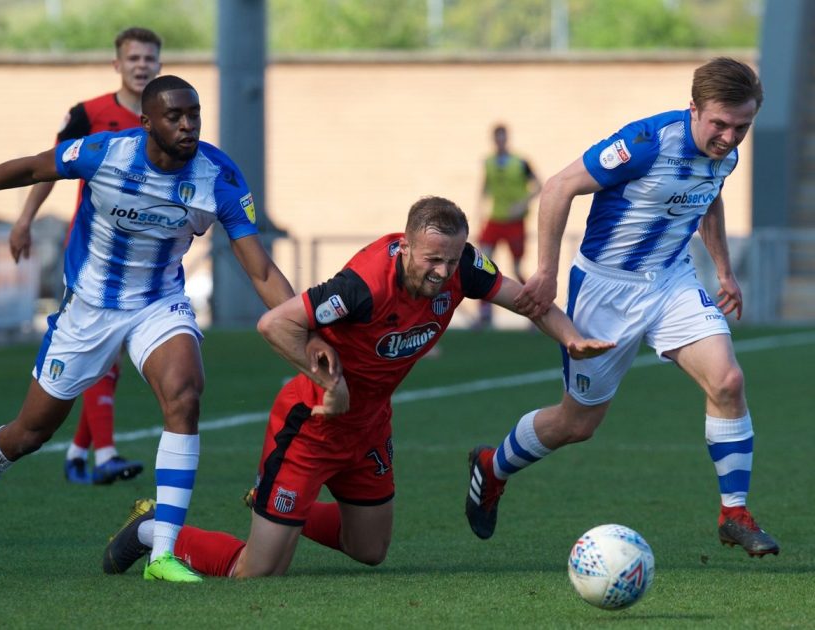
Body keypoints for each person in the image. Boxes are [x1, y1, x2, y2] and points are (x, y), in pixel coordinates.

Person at [99, 195, 615, 579]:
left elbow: (524, 298)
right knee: (257, 575)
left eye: (451, 260)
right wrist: (331, 381)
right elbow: (275, 324)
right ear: (406, 243)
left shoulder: (463, 269)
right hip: (312, 424)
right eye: (431, 259)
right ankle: (152, 529)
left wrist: (571, 338)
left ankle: (275, 506)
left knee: (368, 549)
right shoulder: (362, 285)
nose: (442, 272)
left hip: (368, 426)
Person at [0, 75, 295, 582]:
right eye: (175, 116)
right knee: (29, 433)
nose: (188, 125)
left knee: (185, 394)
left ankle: (162, 553)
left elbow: (259, 270)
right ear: (147, 123)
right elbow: (34, 166)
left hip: (158, 303)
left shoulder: (219, 176)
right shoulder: (106, 153)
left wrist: (302, 327)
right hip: (88, 311)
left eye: (194, 115)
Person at [464, 57, 780, 557]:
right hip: (606, 289)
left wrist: (723, 270)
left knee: (728, 381)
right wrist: (545, 271)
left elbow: (709, 199)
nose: (728, 137)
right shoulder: (645, 142)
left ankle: (734, 514)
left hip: (672, 281)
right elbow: (558, 188)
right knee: (577, 425)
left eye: (742, 126)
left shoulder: (727, 154)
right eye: (719, 124)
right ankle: (492, 466)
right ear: (693, 108)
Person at [10, 27, 164, 486]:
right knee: (105, 347)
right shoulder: (89, 114)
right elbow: (48, 165)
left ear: (159, 64)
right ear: (117, 64)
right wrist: (24, 221)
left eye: (149, 58)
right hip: (93, 255)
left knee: (107, 352)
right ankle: (104, 455)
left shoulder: (167, 115)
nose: (142, 65)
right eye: (133, 58)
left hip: (146, 257)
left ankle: (79, 452)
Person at [474, 123, 541, 329]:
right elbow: (484, 189)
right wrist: (478, 216)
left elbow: (538, 185)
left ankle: (535, 309)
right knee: (482, 263)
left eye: (503, 137)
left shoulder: (520, 162)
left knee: (518, 268)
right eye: (497, 138)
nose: (500, 141)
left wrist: (521, 205)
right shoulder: (489, 162)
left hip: (515, 222)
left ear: (507, 138)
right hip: (495, 219)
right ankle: (485, 313)